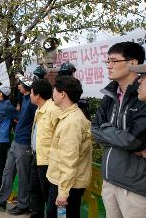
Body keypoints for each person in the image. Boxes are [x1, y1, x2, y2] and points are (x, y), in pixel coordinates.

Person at [91, 41, 146, 218]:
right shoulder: (110, 94)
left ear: (133, 63)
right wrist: (112, 131)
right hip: (109, 180)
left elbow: (133, 140)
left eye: (114, 61)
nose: (109, 66)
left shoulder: (142, 96)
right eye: (107, 61)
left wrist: (106, 129)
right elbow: (94, 129)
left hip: (135, 187)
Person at [0, 76, 37, 215]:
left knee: (22, 175)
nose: (18, 86)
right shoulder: (25, 99)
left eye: (20, 84)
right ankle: (1, 199)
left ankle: (23, 204)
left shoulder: (32, 103)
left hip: (24, 142)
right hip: (17, 141)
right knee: (8, 172)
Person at [47, 76, 92, 218]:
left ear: (62, 94)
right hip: (64, 183)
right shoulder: (69, 116)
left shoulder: (72, 122)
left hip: (66, 186)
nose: (52, 93)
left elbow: (69, 160)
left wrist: (63, 193)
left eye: (54, 89)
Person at [28, 79, 60, 217]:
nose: (29, 95)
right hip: (37, 156)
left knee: (48, 195)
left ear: (37, 95)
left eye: (31, 92)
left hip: (48, 161)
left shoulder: (53, 110)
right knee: (34, 191)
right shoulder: (39, 109)